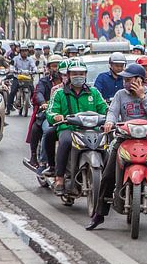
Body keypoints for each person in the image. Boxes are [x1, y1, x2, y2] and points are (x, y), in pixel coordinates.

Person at [86, 63, 147, 229]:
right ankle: (99, 214)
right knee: (107, 175)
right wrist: (110, 122)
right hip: (124, 139)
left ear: (140, 80)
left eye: (130, 78)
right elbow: (112, 111)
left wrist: (142, 98)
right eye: (125, 79)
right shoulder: (120, 95)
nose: (126, 81)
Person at [45, 60, 108, 195]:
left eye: (81, 73)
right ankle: (60, 178)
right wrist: (57, 116)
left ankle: (109, 180)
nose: (78, 76)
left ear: (85, 75)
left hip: (92, 129)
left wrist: (109, 118)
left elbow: (105, 109)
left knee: (106, 145)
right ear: (68, 75)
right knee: (66, 142)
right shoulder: (60, 93)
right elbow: (50, 111)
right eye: (74, 74)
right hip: (69, 128)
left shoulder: (94, 92)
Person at [26, 55, 63, 168]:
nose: (56, 69)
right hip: (47, 112)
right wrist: (43, 103)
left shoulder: (67, 81)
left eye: (59, 66)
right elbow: (38, 93)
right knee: (43, 129)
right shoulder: (44, 81)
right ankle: (42, 161)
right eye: (54, 66)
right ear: (48, 68)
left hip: (65, 114)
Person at [9, 45, 37, 114]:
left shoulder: (30, 59)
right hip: (17, 78)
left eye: (26, 51)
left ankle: (35, 108)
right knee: (12, 91)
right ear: (20, 52)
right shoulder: (15, 58)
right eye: (23, 51)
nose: (24, 53)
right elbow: (12, 66)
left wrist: (35, 70)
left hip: (27, 78)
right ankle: (8, 108)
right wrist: (12, 70)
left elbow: (34, 66)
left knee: (34, 92)